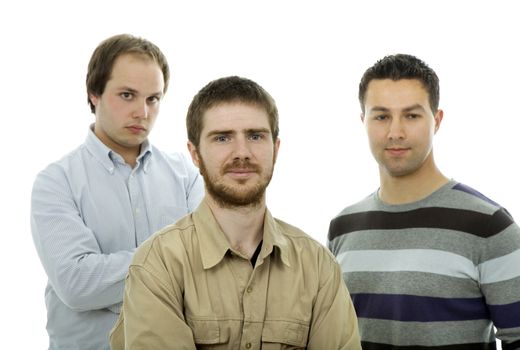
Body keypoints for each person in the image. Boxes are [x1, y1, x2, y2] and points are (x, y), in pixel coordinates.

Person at [109, 76, 361, 349]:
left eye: (255, 136)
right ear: (195, 153)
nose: (242, 152)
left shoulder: (319, 267)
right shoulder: (158, 264)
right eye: (222, 138)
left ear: (275, 149)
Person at [328, 54, 520, 349]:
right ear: (363, 121)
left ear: (437, 120)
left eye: (412, 115)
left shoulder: (488, 225)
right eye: (381, 116)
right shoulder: (343, 227)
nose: (395, 132)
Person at [30, 34, 204, 350]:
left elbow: (210, 269)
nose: (143, 112)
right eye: (127, 95)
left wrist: (111, 278)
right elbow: (77, 285)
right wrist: (173, 263)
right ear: (93, 93)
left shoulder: (187, 175)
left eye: (154, 99)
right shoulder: (56, 182)